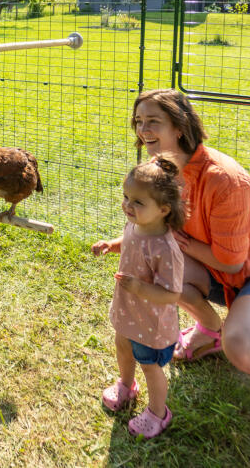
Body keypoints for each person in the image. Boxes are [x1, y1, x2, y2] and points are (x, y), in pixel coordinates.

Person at [100, 88, 250, 408]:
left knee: (245, 351)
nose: (143, 130)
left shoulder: (224, 178)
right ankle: (210, 331)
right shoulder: (162, 170)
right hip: (220, 272)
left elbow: (230, 261)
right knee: (154, 271)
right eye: (139, 121)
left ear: (179, 127)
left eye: (153, 121)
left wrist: (183, 242)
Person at [91, 156, 185, 438]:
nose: (128, 206)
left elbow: (172, 294)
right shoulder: (135, 226)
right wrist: (111, 245)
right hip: (128, 311)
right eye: (126, 197)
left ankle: (158, 413)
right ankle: (126, 385)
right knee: (122, 346)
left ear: (164, 209)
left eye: (138, 202)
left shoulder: (165, 249)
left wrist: (140, 288)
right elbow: (129, 242)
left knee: (150, 366)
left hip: (150, 322)